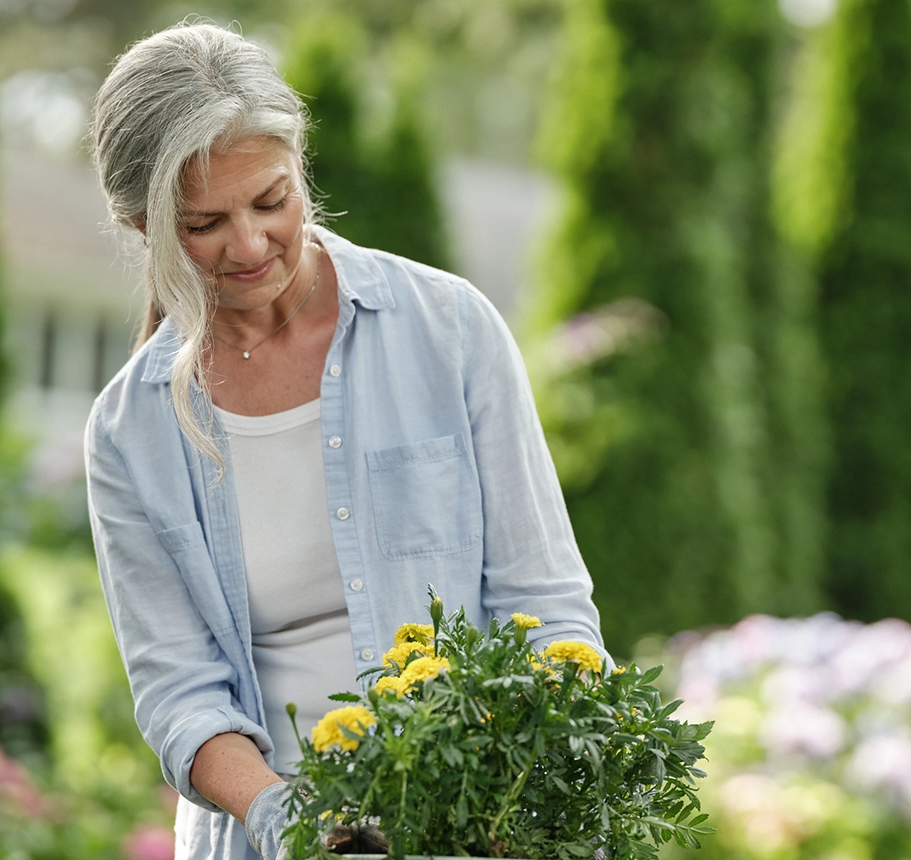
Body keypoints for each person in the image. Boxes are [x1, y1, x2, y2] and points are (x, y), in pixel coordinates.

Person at [83, 22, 605, 859]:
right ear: (141, 224)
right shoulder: (130, 434)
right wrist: (293, 821)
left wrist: (532, 799)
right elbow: (181, 695)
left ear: (301, 166)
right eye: (204, 223)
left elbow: (542, 605)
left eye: (271, 200)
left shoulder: (449, 330)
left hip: (474, 828)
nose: (250, 245)